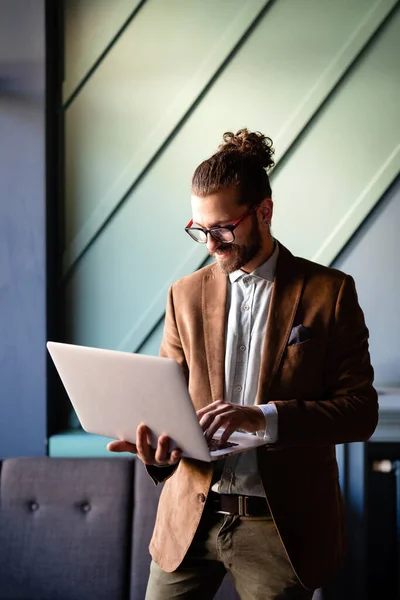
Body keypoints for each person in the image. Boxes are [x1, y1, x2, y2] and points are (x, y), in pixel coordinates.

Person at [108, 129, 378, 599]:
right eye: (200, 230)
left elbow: (360, 411)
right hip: (188, 519)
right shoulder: (183, 295)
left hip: (279, 531)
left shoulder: (329, 293)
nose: (210, 244)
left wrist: (263, 417)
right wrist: (158, 452)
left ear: (264, 211)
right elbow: (167, 401)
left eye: (222, 229)